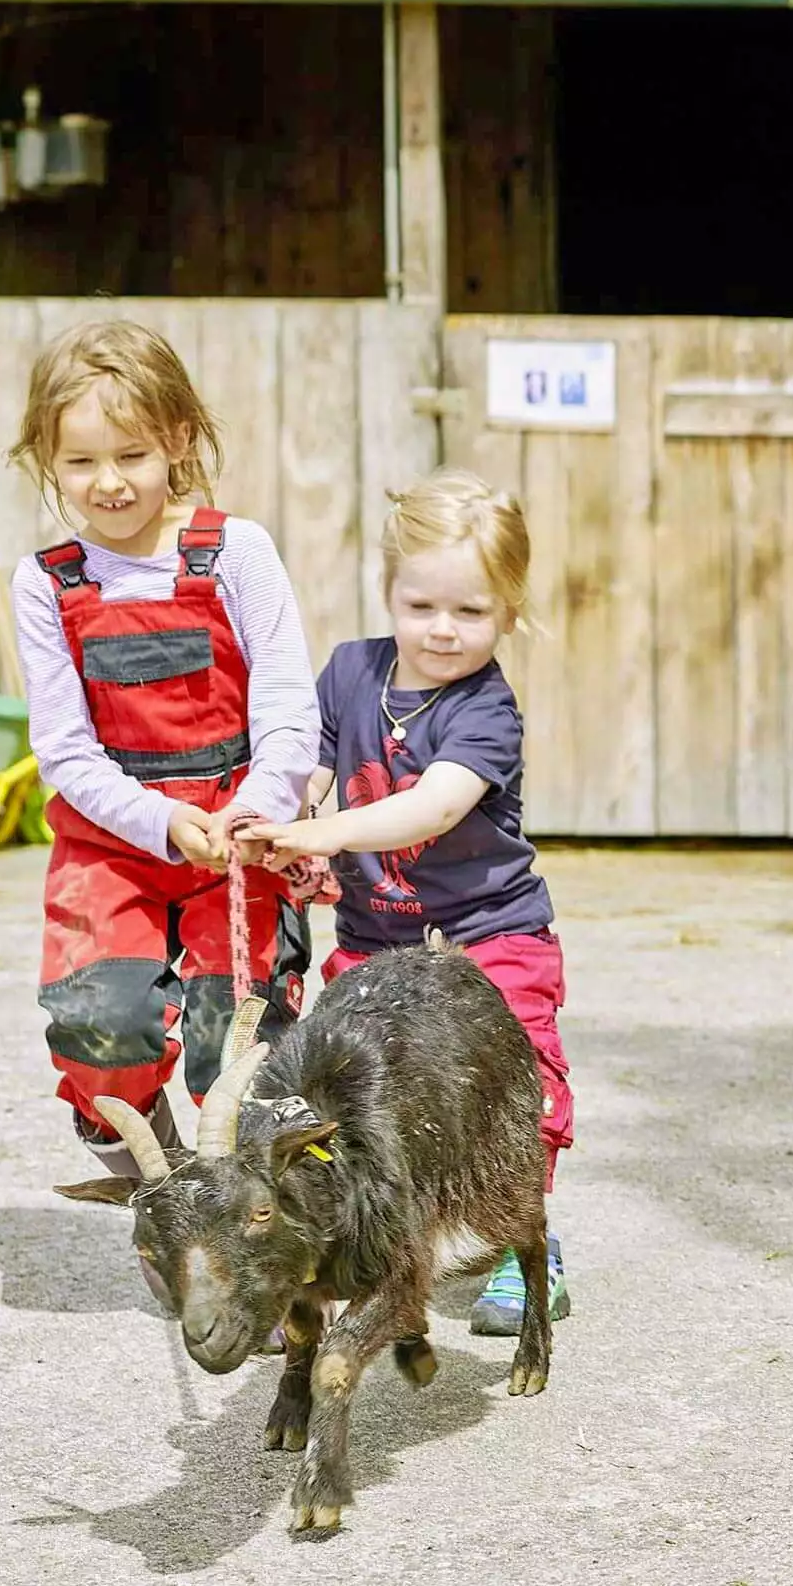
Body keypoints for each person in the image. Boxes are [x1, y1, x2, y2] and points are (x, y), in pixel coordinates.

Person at [235, 472, 575, 1337]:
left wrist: (328, 835)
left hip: (489, 940)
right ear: (388, 591)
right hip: (374, 944)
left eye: (472, 612)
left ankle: (521, 1241)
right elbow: (310, 756)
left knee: (514, 1088)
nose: (443, 630)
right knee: (344, 1102)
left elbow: (436, 805)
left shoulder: (486, 708)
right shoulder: (352, 670)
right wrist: (292, 819)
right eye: (420, 604)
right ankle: (335, 1251)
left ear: (508, 611)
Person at [11, 318, 316, 1195]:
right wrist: (160, 820)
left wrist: (260, 803)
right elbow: (65, 751)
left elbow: (290, 703)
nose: (108, 483)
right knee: (100, 1027)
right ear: (47, 456)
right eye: (80, 463)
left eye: (132, 455)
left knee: (243, 1042)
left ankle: (240, 1219)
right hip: (115, 843)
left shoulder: (235, 552)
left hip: (239, 837)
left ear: (178, 439)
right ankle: (153, 1173)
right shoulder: (49, 583)